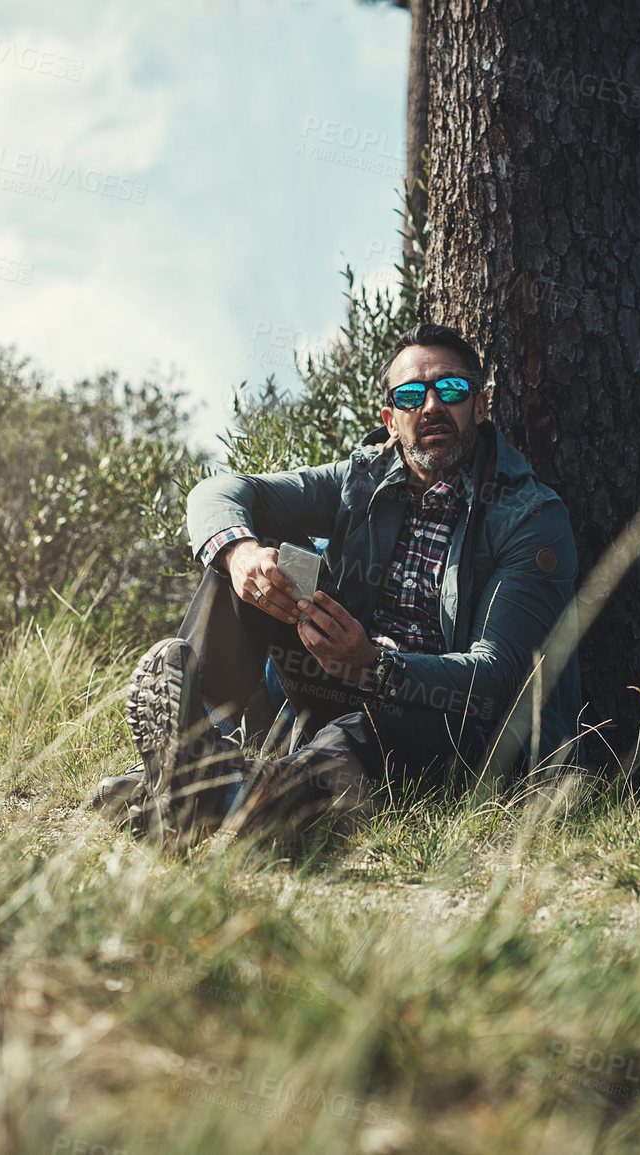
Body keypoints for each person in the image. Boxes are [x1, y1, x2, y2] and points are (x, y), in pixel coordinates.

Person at [91, 322, 583, 844]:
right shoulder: (363, 477)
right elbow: (220, 490)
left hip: (457, 721)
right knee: (252, 559)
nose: (432, 405)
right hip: (340, 680)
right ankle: (195, 745)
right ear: (391, 420)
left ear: (480, 407)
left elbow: (500, 676)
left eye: (452, 389)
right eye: (412, 394)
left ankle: (211, 791)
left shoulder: (530, 516)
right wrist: (241, 557)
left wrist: (374, 665)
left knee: (370, 728)